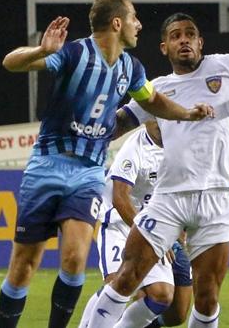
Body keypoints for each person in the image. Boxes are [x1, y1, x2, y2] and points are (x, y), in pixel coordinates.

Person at [0, 0, 213, 328]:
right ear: (117, 22)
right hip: (48, 165)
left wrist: (186, 113)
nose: (139, 24)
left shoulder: (131, 67)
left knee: (74, 259)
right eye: (134, 17)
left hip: (89, 172)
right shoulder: (75, 53)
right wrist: (41, 51)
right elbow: (10, 62)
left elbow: (153, 101)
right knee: (23, 265)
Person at [89, 12, 229, 328]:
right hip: (168, 199)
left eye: (190, 34)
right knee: (127, 277)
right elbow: (120, 122)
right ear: (165, 47)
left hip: (216, 199)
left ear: (200, 42)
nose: (184, 39)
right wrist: (88, 130)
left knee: (207, 297)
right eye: (175, 36)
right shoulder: (157, 89)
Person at [78, 120, 193, 328]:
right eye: (155, 118)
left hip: (155, 229)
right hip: (119, 225)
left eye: (165, 118)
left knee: (162, 296)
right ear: (146, 118)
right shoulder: (135, 147)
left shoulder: (179, 147)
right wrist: (145, 235)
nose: (161, 123)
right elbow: (119, 198)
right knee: (118, 284)